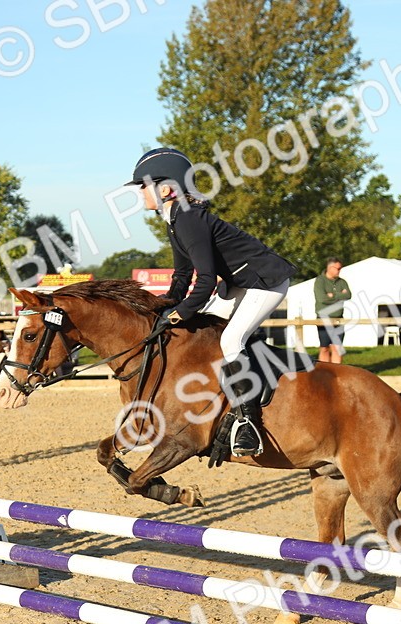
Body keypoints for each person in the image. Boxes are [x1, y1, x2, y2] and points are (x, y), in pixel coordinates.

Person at [129, 147, 297, 458]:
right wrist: (163, 305)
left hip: (266, 282)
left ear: (165, 189)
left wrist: (180, 312)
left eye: (143, 186)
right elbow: (182, 273)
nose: (140, 193)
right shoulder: (175, 216)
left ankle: (249, 424)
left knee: (232, 338)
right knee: (205, 330)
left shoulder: (188, 219)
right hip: (240, 282)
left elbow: (205, 281)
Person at [314, 257, 351, 364]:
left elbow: (348, 295)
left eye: (340, 268)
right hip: (323, 318)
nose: (339, 271)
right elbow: (322, 299)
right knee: (324, 347)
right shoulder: (320, 281)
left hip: (338, 319)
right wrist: (340, 295)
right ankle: (324, 372)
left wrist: (332, 295)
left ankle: (336, 372)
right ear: (330, 267)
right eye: (338, 268)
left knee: (337, 347)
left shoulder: (342, 282)